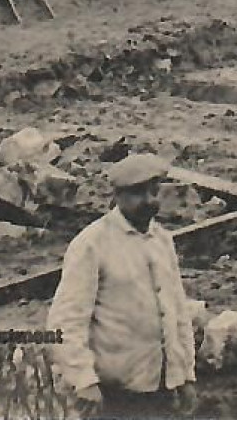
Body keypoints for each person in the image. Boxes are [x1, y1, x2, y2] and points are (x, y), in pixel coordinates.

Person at [48, 154, 197, 420]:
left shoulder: (162, 240)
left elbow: (178, 312)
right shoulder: (91, 244)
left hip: (160, 386)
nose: (149, 201)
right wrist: (83, 380)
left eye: (153, 191)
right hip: (114, 392)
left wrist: (185, 375)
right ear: (117, 196)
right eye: (138, 193)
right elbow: (65, 321)